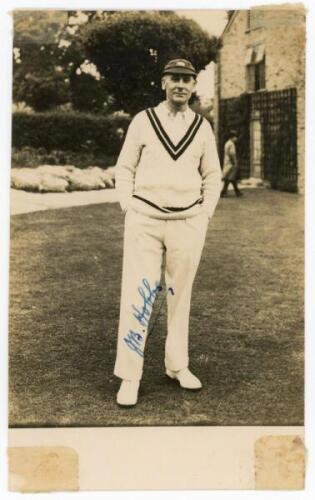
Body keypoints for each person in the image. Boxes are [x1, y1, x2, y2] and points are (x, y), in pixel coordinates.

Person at [113, 58, 222, 406]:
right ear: (163, 82)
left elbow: (213, 175)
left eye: (187, 80)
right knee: (138, 293)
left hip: (188, 221)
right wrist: (128, 206)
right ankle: (130, 376)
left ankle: (177, 365)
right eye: (175, 78)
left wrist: (205, 213)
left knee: (180, 296)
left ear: (193, 86)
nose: (181, 85)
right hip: (144, 219)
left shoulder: (202, 127)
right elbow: (124, 167)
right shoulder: (143, 121)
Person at [220, 130, 243, 197]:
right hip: (231, 163)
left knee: (230, 178)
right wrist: (235, 162)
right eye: (235, 137)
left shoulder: (227, 143)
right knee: (231, 178)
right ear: (232, 137)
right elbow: (232, 154)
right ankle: (225, 192)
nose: (236, 139)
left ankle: (235, 192)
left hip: (227, 162)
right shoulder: (231, 144)